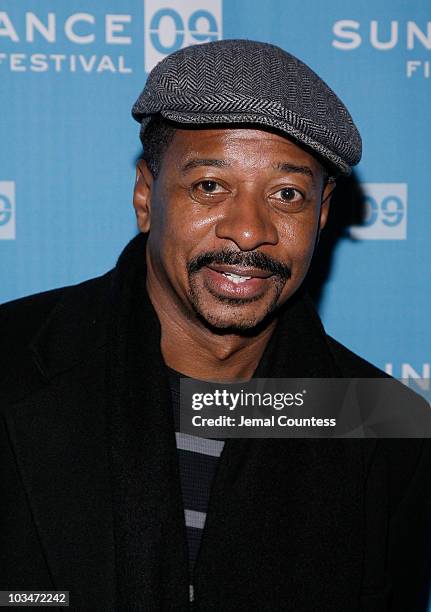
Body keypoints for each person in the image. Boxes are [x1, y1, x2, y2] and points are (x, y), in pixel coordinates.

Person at [0, 39, 430, 612]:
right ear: (146, 195)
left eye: (286, 194)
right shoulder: (11, 364)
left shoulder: (386, 428)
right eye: (210, 186)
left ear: (322, 215)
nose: (249, 231)